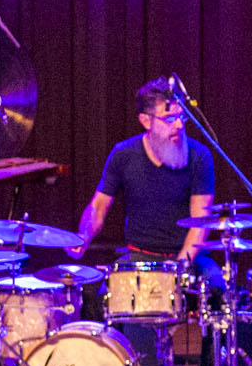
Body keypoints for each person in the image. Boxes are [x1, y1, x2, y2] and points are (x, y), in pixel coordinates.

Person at [69, 78, 216, 275]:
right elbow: (99, 206)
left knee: (217, 287)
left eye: (182, 117)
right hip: (140, 256)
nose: (179, 125)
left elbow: (200, 222)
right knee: (99, 292)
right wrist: (84, 236)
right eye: (170, 119)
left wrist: (179, 269)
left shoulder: (199, 155)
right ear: (146, 121)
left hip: (187, 257)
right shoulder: (124, 153)